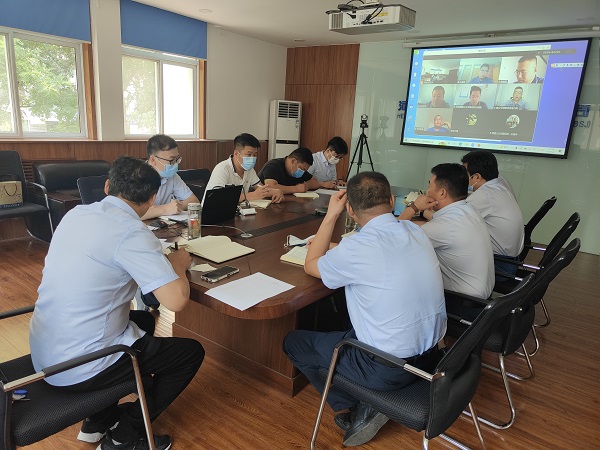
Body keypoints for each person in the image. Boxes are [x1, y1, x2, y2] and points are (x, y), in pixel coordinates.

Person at [29, 156, 204, 450]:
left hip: (45, 350)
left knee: (144, 320)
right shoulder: (132, 232)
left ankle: (98, 420)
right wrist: (177, 264)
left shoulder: (76, 214)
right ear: (152, 199)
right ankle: (125, 435)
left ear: (108, 186)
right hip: (80, 366)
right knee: (189, 353)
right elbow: (176, 301)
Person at [283, 172, 446, 447]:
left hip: (390, 370)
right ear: (391, 201)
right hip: (434, 358)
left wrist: (330, 216)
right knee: (348, 320)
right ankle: (366, 398)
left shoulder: (357, 247)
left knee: (294, 343)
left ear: (349, 209)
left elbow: (311, 265)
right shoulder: (415, 231)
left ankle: (359, 406)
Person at [397, 163, 494, 299]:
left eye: (429, 186)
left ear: (442, 193)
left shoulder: (445, 227)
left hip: (462, 300)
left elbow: (392, 238)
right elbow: (433, 226)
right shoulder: (468, 209)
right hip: (482, 295)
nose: (426, 191)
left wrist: (413, 207)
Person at [461, 151, 524, 279]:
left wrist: (423, 211)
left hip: (501, 266)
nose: (462, 178)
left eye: (465, 174)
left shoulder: (485, 195)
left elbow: (453, 221)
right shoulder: (500, 182)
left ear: (477, 177)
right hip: (513, 259)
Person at [204, 132, 283, 204]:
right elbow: (217, 197)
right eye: (249, 154)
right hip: (213, 211)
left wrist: (275, 191)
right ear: (236, 153)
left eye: (255, 155)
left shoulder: (249, 170)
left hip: (237, 210)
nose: (252, 158)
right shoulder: (222, 169)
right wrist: (251, 195)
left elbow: (261, 188)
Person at [141, 134, 199, 220]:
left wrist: (176, 206)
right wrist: (165, 209)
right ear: (153, 160)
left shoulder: (171, 175)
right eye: (171, 160)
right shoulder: (136, 177)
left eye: (177, 159)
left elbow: (193, 200)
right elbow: (132, 213)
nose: (175, 164)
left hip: (162, 224)